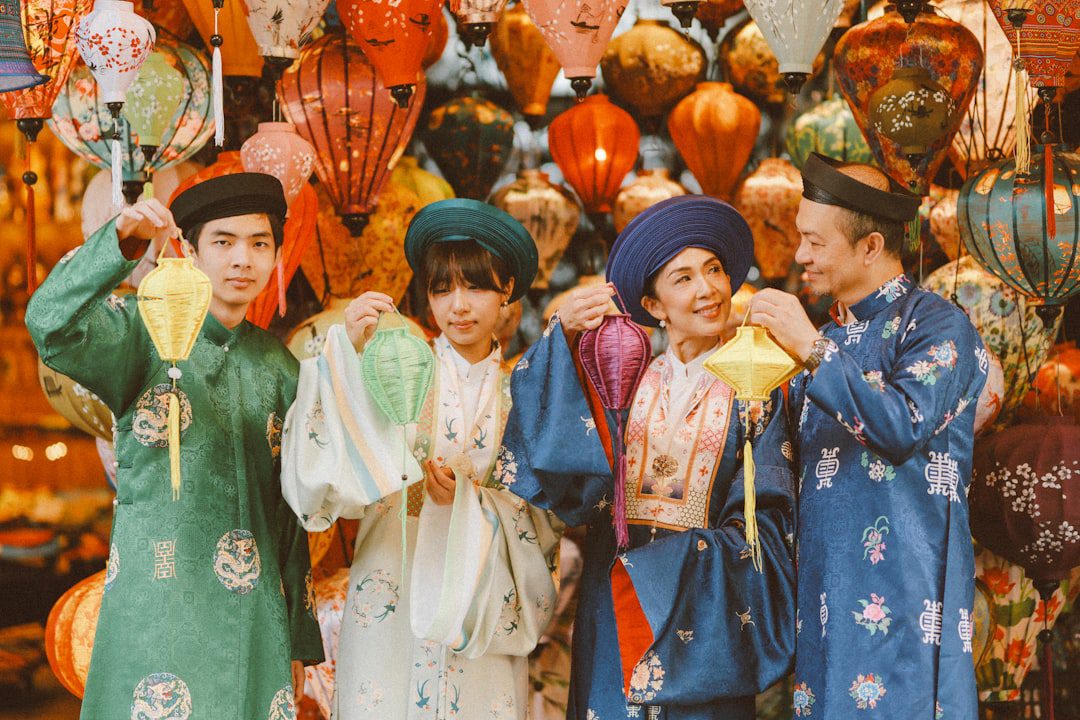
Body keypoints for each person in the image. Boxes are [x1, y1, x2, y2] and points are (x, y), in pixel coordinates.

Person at [26, 174, 324, 719]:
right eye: (223, 241)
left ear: (277, 255)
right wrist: (120, 243)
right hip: (158, 604)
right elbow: (49, 324)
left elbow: (290, 512)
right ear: (189, 249)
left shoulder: (281, 367)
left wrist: (299, 637)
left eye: (259, 244)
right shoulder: (140, 333)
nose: (243, 259)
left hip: (253, 617)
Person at [498, 195, 796, 719]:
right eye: (683, 279)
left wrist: (692, 560)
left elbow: (772, 513)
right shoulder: (623, 382)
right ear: (653, 306)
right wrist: (562, 334)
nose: (707, 289)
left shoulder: (759, 386)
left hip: (707, 614)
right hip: (615, 596)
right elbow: (559, 459)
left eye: (714, 270)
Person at [281, 198, 559, 719]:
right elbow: (329, 468)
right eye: (442, 289)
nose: (458, 306)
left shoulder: (524, 395)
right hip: (390, 589)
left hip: (480, 599)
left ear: (507, 291)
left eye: (476, 287)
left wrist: (473, 503)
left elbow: (546, 514)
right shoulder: (397, 372)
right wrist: (348, 353)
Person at [747, 154, 988, 719]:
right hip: (823, 603)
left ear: (871, 246)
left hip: (908, 602)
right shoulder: (823, 340)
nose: (799, 255)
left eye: (814, 241)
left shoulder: (937, 326)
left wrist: (810, 350)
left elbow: (900, 426)